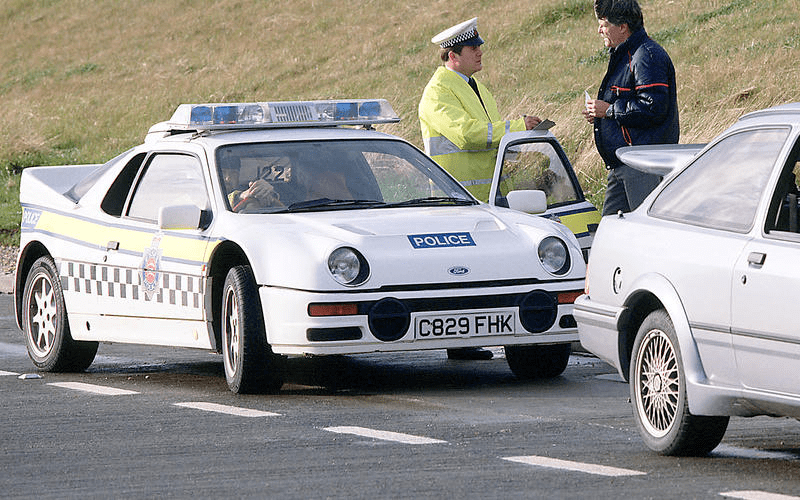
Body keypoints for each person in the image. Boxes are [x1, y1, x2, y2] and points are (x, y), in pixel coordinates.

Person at [419, 17, 541, 361]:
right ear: (453, 55)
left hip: (484, 197)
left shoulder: (476, 86)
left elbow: (488, 135)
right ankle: (460, 341)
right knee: (459, 271)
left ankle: (478, 333)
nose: (480, 53)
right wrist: (515, 126)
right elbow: (468, 134)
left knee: (485, 268)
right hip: (453, 198)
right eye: (474, 48)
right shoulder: (438, 91)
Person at [582, 0, 679, 216]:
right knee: (611, 232)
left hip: (642, 165)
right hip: (623, 165)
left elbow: (654, 107)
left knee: (646, 235)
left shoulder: (646, 56)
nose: (599, 30)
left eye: (604, 24)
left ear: (623, 26)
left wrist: (608, 110)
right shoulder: (627, 54)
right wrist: (600, 114)